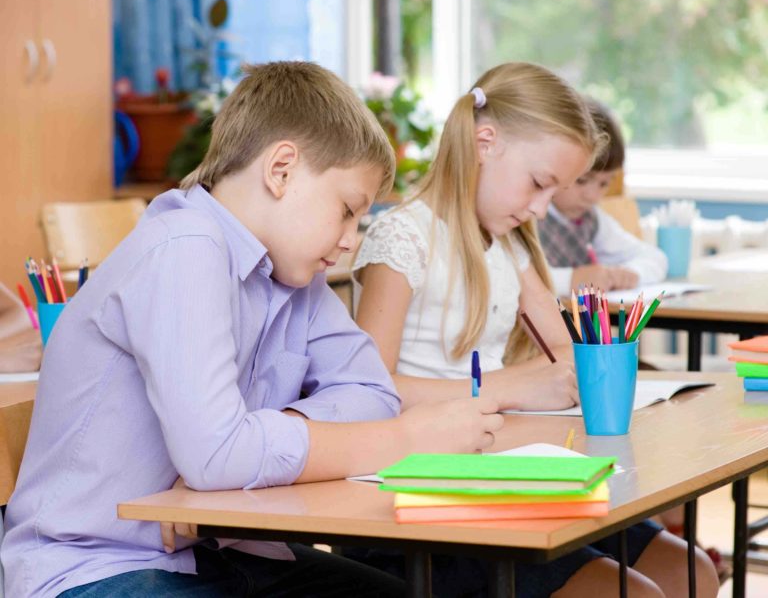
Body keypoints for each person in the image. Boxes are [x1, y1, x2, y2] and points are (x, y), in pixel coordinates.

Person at [1, 61, 504, 598]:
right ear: (281, 169)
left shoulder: (296, 277)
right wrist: (403, 441)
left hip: (224, 549)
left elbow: (373, 390)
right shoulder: (183, 247)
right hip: (97, 567)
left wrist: (252, 438)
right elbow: (217, 456)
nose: (352, 239)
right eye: (347, 211)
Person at [350, 63, 718, 597]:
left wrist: (580, 371)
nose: (542, 209)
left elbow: (568, 355)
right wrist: (509, 387)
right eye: (540, 184)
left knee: (691, 572)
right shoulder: (402, 239)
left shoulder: (511, 246)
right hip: (417, 498)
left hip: (499, 472)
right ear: (485, 142)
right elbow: (366, 390)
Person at [538, 97, 668, 296]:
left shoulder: (592, 219)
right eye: (582, 180)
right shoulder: (526, 215)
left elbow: (654, 257)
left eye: (604, 183)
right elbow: (513, 280)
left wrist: (632, 273)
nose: (592, 196)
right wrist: (572, 280)